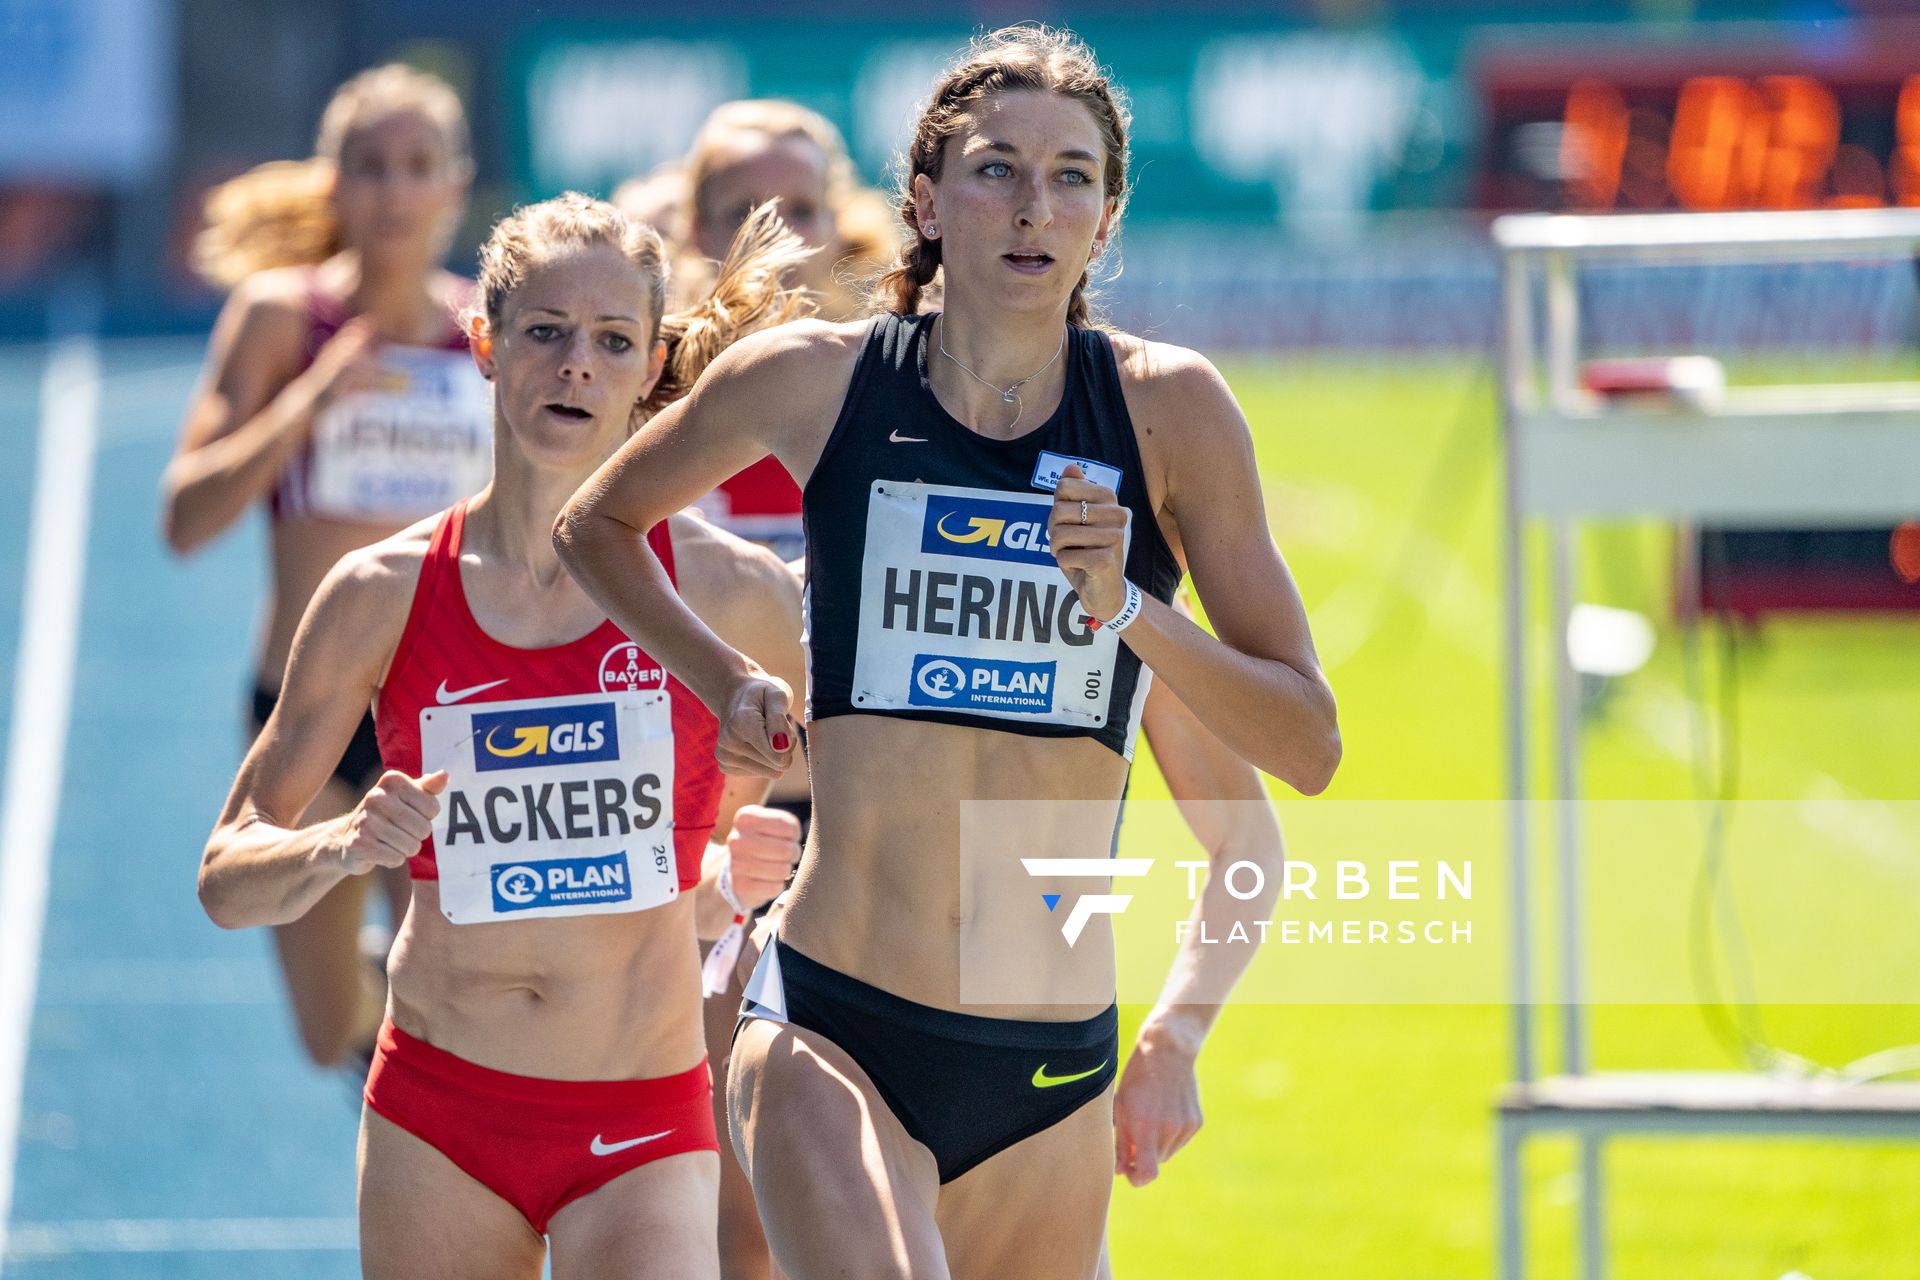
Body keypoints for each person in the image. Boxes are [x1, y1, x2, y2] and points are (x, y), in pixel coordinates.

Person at [554, 25, 1339, 1280]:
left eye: (1072, 176)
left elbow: (1308, 745)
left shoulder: (1171, 411)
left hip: (1052, 1066)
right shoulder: (816, 382)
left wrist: (1131, 605)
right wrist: (725, 680)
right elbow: (595, 523)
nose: (1035, 207)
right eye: (996, 170)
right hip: (836, 1020)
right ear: (924, 199)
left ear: (1108, 214)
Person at [197, 194, 810, 1278]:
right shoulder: (379, 593)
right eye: (545, 332)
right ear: (485, 343)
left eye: (613, 341)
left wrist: (748, 875)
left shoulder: (732, 594)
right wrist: (339, 848)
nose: (577, 365)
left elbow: (854, 820)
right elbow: (225, 876)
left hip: (645, 1116)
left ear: (653, 362)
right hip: (440, 1119)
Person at [163, 64, 484, 1068]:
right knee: (325, 1031)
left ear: (454, 185)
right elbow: (185, 516)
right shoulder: (279, 318)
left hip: (439, 707)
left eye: (416, 166)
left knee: (447, 1023)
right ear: (333, 182)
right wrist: (310, 401)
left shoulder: (487, 330)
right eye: (371, 166)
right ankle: (377, 1001)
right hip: (305, 705)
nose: (394, 191)